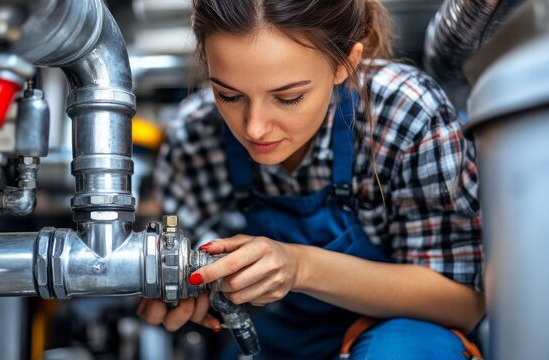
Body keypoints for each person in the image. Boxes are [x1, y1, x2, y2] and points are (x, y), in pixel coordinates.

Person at [137, 0, 485, 358]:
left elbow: (465, 304)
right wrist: (189, 295)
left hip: (396, 336)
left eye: (289, 97)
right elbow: (190, 268)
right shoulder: (195, 136)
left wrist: (301, 267)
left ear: (345, 63)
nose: (255, 127)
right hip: (272, 338)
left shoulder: (404, 114)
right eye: (229, 95)